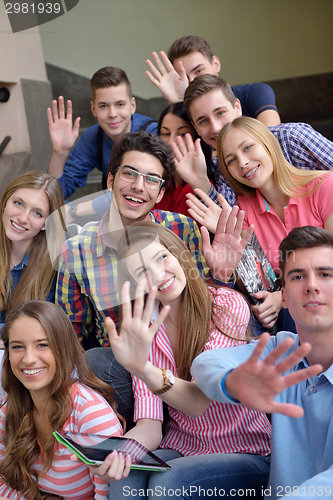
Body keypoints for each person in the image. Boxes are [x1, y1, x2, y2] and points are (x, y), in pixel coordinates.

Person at [102, 220, 271, 499]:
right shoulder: (145, 329)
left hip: (247, 450)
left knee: (169, 483)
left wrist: (142, 367)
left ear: (180, 254)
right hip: (184, 445)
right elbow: (149, 424)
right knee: (126, 474)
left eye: (162, 258)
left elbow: (198, 402)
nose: (158, 275)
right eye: (143, 271)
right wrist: (116, 454)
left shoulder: (225, 305)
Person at [191, 225, 333, 499]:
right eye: (298, 276)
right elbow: (205, 363)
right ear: (283, 297)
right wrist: (232, 383)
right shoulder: (281, 347)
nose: (312, 285)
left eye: (325, 274)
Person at [56, 131, 208, 349]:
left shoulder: (182, 229)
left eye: (152, 180)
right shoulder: (75, 252)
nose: (138, 186)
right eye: (129, 174)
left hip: (188, 347)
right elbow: (71, 331)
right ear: (110, 180)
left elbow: (205, 294)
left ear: (161, 194)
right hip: (121, 363)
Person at [189, 116, 333, 331]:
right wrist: (232, 236)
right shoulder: (243, 211)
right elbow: (261, 286)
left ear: (268, 144)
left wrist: (282, 297)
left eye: (248, 148)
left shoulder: (324, 186)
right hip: (292, 320)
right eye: (231, 160)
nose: (243, 162)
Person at [0, 300, 130, 500]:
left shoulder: (91, 414)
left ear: (63, 349)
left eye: (42, 345)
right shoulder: (8, 409)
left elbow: (108, 496)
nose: (28, 358)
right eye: (18, 347)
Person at [171, 74, 333, 208]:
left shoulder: (291, 137)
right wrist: (200, 182)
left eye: (220, 113)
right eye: (203, 121)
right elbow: (234, 228)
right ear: (196, 128)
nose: (215, 127)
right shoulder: (221, 166)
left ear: (237, 108)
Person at [47, 66, 157, 201]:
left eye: (120, 104)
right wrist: (59, 152)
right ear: (94, 109)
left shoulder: (152, 133)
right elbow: (55, 195)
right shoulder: (93, 138)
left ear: (132, 105)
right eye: (103, 106)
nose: (112, 114)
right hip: (113, 207)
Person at [145, 35, 281, 127]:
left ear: (215, 64)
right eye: (184, 77)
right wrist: (178, 103)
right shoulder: (187, 112)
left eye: (199, 71)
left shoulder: (255, 92)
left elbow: (271, 138)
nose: (192, 80)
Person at [0, 171, 66, 330]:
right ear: (5, 201)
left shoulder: (54, 266)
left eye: (37, 213)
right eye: (18, 203)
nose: (22, 218)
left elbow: (44, 326)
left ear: (46, 223)